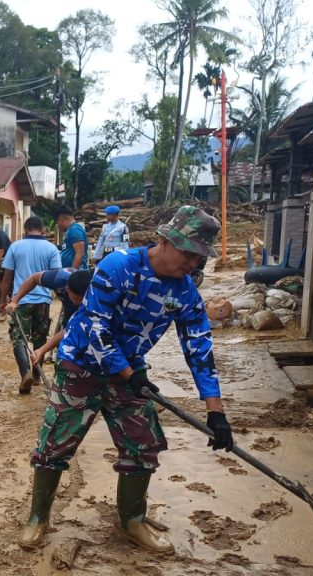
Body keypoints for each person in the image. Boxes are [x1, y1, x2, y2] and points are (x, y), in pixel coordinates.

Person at [18, 205, 234, 553]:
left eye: (200, 257)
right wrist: (131, 375)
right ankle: (38, 517)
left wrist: (216, 411)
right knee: (55, 442)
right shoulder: (119, 266)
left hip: (129, 372)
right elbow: (94, 327)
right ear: (164, 241)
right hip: (81, 365)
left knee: (143, 444)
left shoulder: (186, 292)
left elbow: (199, 348)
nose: (194, 264)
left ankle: (132, 519)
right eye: (189, 253)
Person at [0, 217, 62, 394]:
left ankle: (24, 373)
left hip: (20, 301)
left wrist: (3, 301)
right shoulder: (51, 248)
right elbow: (56, 276)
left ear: (25, 229)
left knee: (19, 338)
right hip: (43, 301)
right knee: (40, 338)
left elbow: (7, 277)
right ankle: (36, 376)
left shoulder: (15, 246)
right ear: (42, 230)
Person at [9, 268, 95, 366]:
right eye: (76, 298)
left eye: (82, 299)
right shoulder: (57, 279)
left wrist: (42, 350)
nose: (79, 302)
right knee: (65, 346)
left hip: (86, 312)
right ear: (67, 289)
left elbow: (70, 328)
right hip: (69, 308)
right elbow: (33, 278)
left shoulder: (95, 294)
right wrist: (15, 301)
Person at [56, 205, 89, 270]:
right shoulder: (71, 230)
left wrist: (72, 272)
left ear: (62, 220)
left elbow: (80, 253)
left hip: (78, 274)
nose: (59, 226)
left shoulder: (75, 229)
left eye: (58, 223)